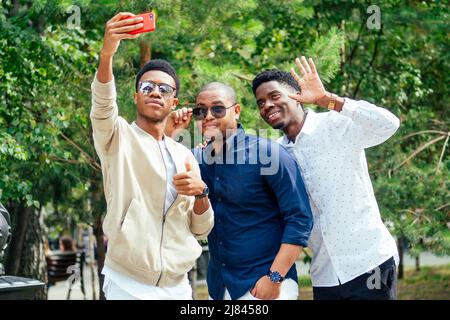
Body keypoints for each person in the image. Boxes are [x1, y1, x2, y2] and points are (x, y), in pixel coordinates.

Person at [252, 56, 400, 300]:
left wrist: (327, 99)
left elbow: (389, 124)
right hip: (325, 276)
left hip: (370, 262)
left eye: (274, 96)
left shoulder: (337, 125)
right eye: (260, 103)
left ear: (298, 94)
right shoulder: (274, 155)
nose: (266, 105)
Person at [90, 12, 214, 300]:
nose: (155, 92)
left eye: (164, 89)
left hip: (178, 286)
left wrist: (202, 194)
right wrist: (107, 52)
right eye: (146, 87)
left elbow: (200, 229)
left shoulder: (184, 154)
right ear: (135, 97)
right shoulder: (118, 137)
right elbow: (103, 104)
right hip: (127, 282)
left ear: (174, 102)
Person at [165, 82, 313, 300]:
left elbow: (300, 219)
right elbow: (161, 173)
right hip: (220, 286)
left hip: (265, 284)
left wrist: (274, 278)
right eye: (200, 110)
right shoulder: (196, 161)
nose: (208, 116)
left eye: (217, 108)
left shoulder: (269, 154)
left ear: (236, 110)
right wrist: (169, 133)